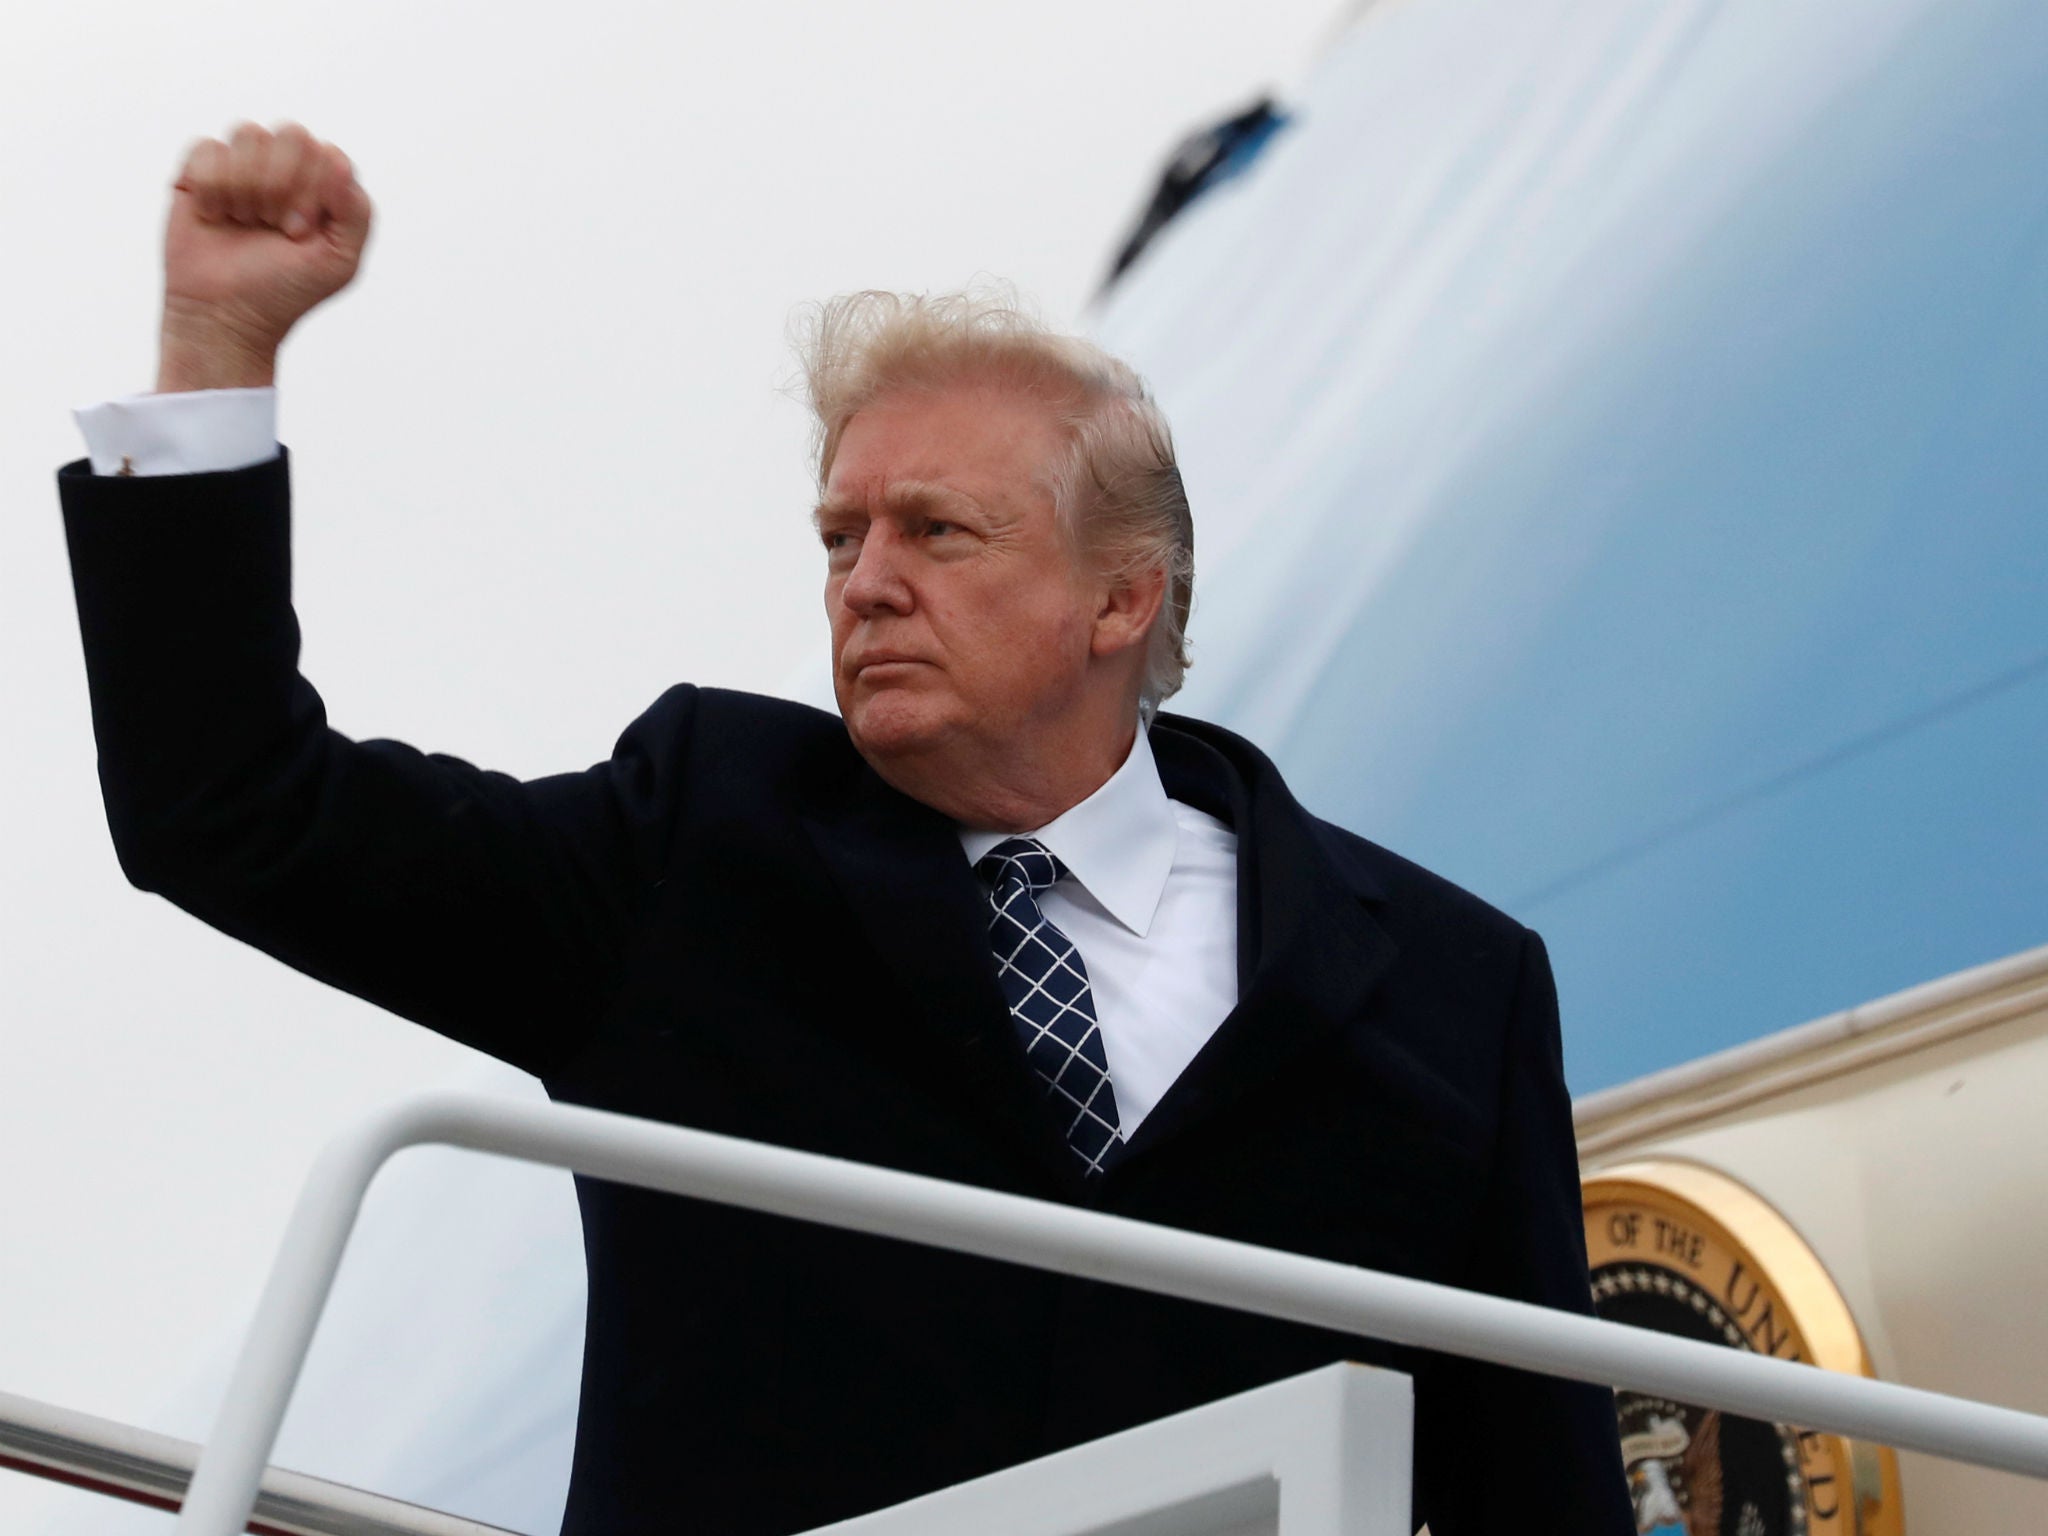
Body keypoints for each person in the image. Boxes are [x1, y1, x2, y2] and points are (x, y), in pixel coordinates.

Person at [58, 120, 1633, 1536]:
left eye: (936, 530)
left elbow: (1540, 1485)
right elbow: (233, 808)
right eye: (840, 537)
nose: (865, 579)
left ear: (1119, 595)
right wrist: (216, 349)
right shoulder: (691, 851)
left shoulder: (1450, 982)